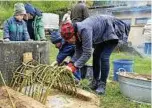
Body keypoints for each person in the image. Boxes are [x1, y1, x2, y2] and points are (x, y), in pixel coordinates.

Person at [60, 15, 130, 94]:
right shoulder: (76, 32)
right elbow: (78, 52)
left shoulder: (84, 30)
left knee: (104, 57)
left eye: (69, 39)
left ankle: (102, 84)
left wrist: (74, 67)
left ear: (73, 34)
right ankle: (95, 81)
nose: (69, 42)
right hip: (102, 32)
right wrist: (70, 64)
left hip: (111, 28)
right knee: (96, 55)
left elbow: (87, 53)